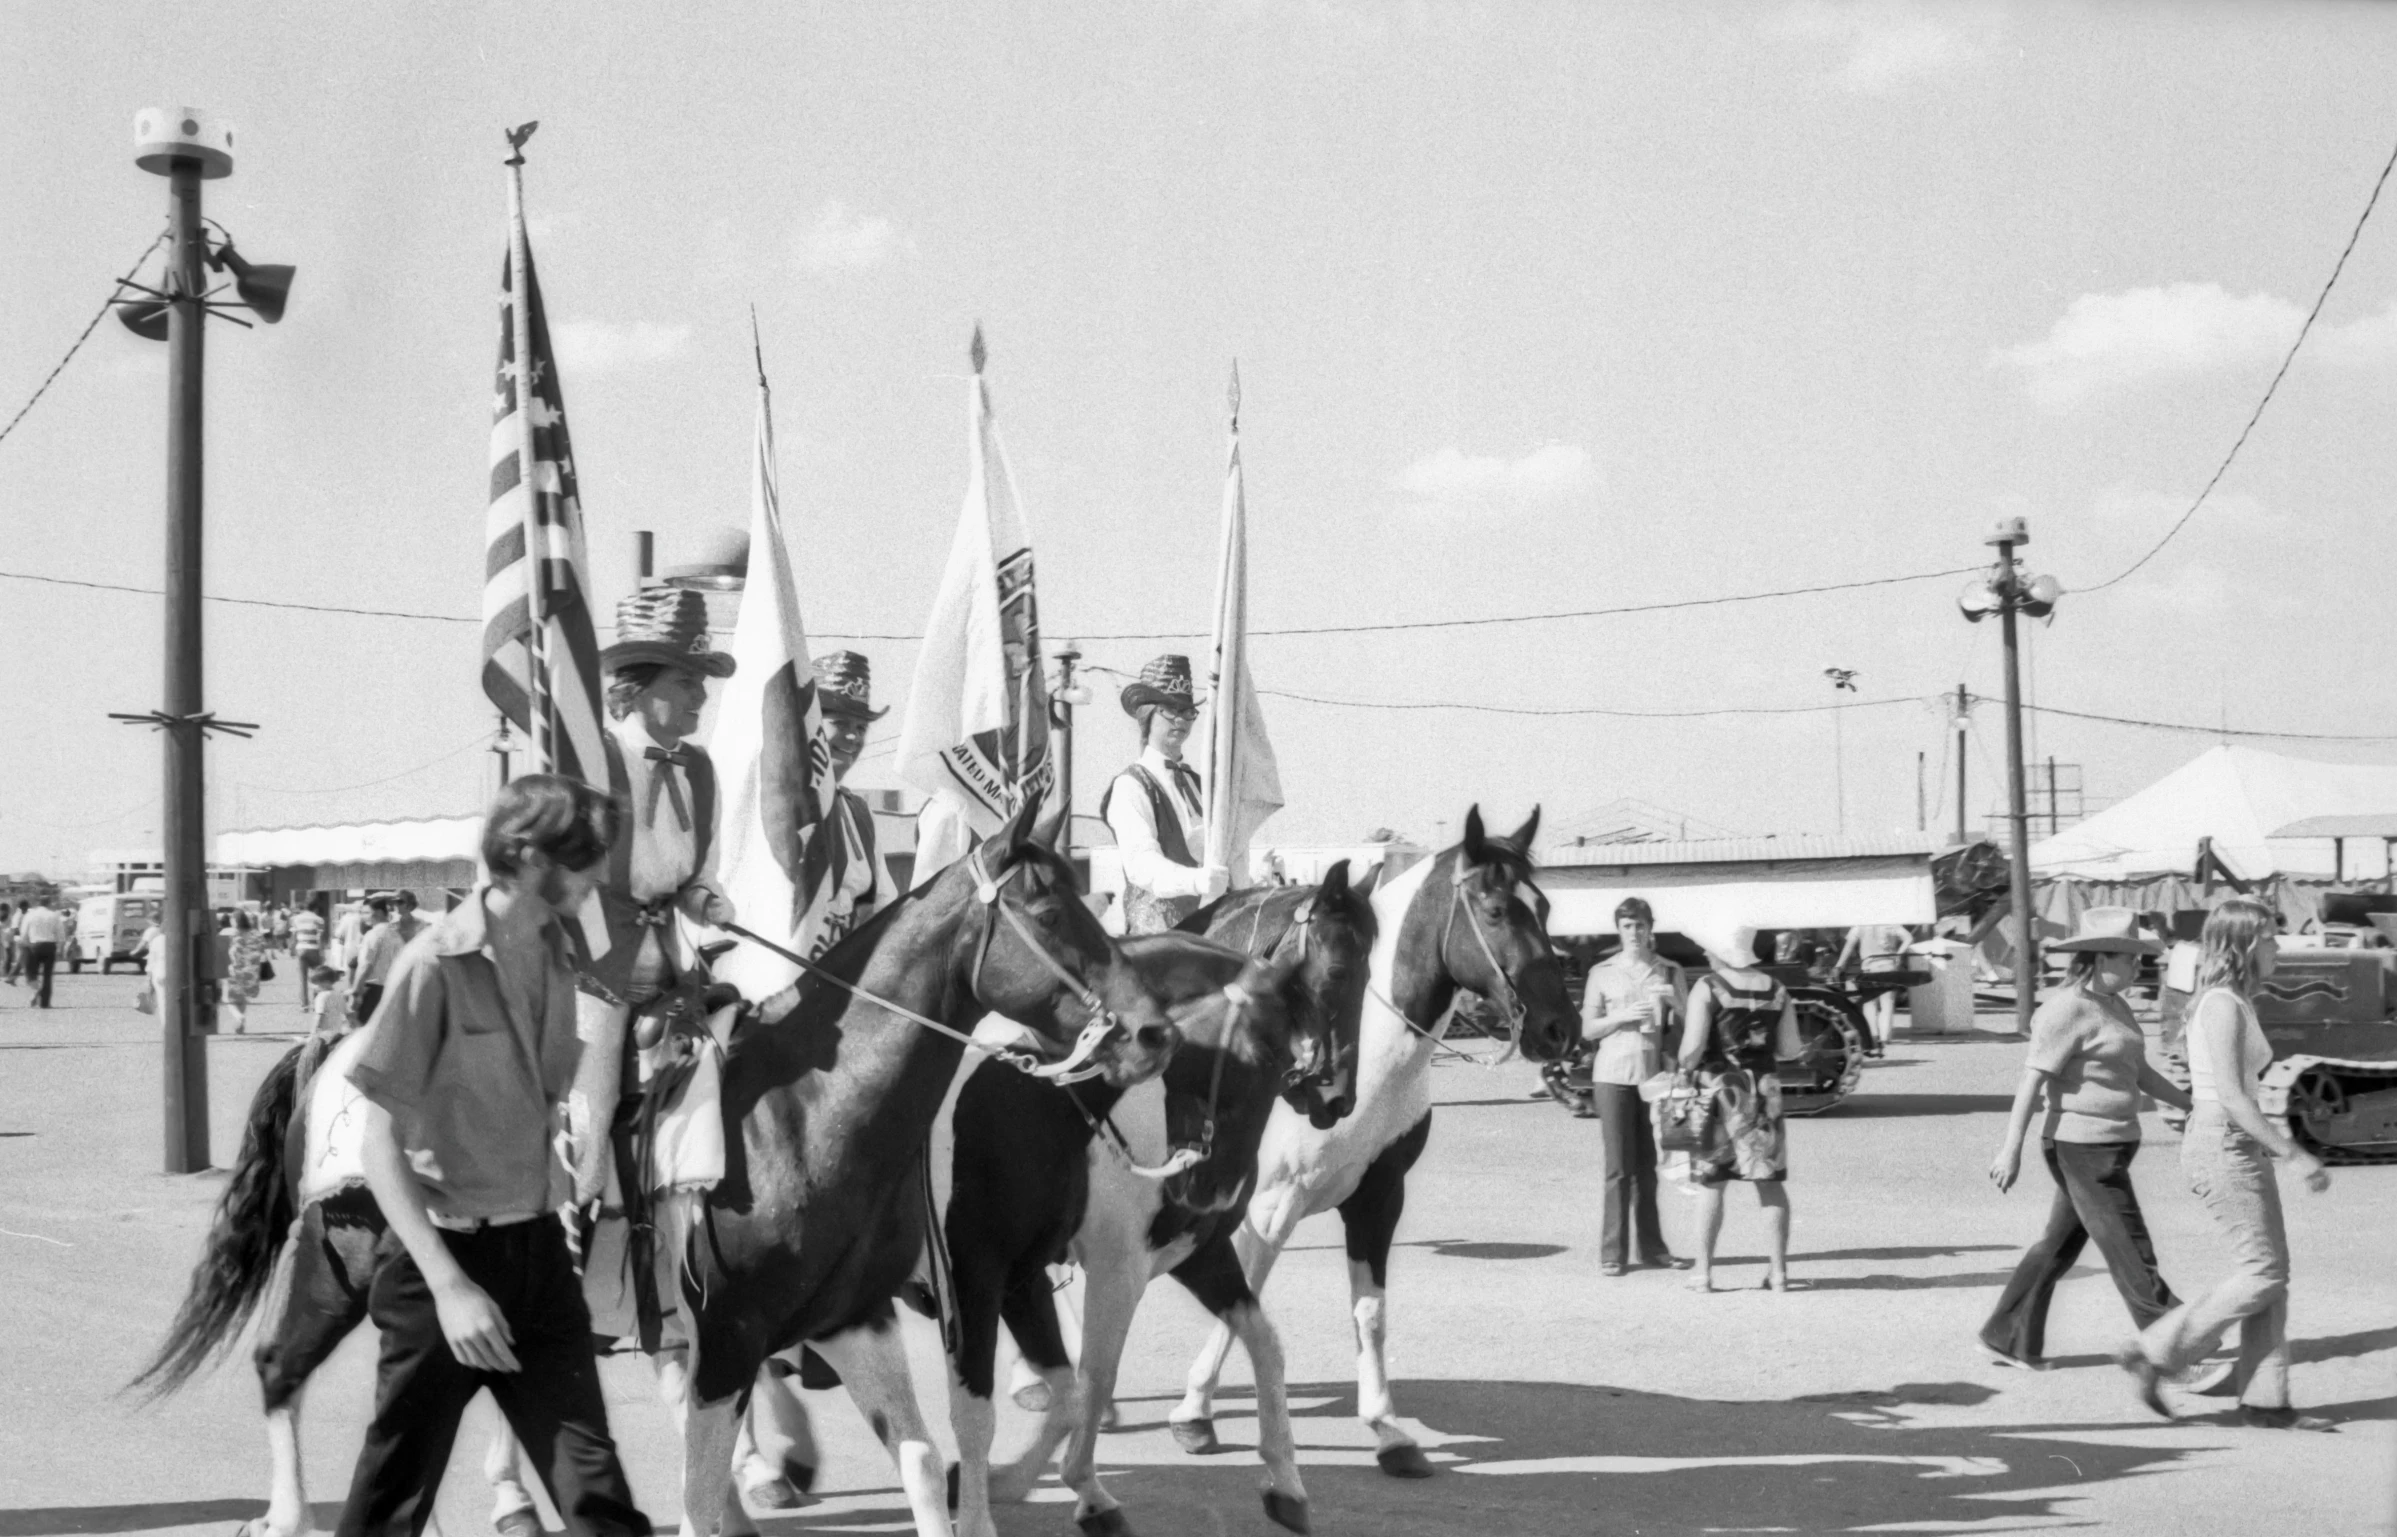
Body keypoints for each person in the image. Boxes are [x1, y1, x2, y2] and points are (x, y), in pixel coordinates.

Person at [335, 773, 648, 1535]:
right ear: (529, 856)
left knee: (596, 1496)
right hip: (441, 1263)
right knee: (391, 1503)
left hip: (539, 1259)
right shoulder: (434, 963)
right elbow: (377, 1141)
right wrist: (448, 1288)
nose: (596, 874)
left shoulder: (555, 954)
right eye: (582, 858)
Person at [2121, 897, 2335, 1431]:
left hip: (2235, 1141)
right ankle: (2159, 1352)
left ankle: (2266, 1404)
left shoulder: (2234, 1000)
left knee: (2271, 1275)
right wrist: (2294, 1153)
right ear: (2243, 943)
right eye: (2269, 936)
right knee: (2262, 1271)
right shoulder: (2220, 1003)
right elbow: (2235, 1098)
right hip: (2223, 1140)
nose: (2277, 945)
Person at [1981, 908, 2190, 1370]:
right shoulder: (2065, 1009)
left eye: (2142, 960)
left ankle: (2005, 1336)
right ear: (2099, 959)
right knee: (2133, 1252)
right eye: (2131, 959)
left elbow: (2140, 1073)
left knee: (2056, 1247)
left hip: (2113, 1143)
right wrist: (2010, 1148)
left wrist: (2191, 1105)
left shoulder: (2116, 1005)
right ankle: (2177, 1346)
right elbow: (2031, 1082)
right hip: (2081, 1148)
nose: (2140, 968)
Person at [1675, 921, 1802, 1294]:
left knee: (1712, 1183)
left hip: (1720, 1094)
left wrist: (1683, 1064)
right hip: (1764, 1095)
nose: (1704, 953)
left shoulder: (1708, 987)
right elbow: (1791, 1049)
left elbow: (1693, 1048)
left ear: (1719, 951)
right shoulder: (1777, 989)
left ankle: (1703, 1273)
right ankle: (1778, 1273)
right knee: (1770, 1184)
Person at [1579, 897, 1688, 1275]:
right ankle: (1612, 1252)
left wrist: (1676, 1000)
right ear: (1619, 929)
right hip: (1612, 1076)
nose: (1635, 933)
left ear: (1650, 928)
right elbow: (1588, 1028)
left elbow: (1691, 1022)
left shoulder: (1670, 971)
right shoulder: (1602, 972)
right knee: (1618, 1168)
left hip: (1654, 1077)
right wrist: (1622, 1015)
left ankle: (1653, 1249)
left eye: (1640, 925)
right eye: (1628, 926)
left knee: (1648, 1168)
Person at [1099, 654, 1228, 934]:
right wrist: (1196, 881)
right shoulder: (1130, 785)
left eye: (1187, 711)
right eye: (1170, 709)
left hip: (1212, 931)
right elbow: (1142, 865)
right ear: (1146, 715)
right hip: (1157, 943)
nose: (1181, 719)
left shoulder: (1202, 785)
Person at [1835, 922, 1908, 1056]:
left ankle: (1873, 1035)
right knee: (1887, 1003)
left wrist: (1839, 965)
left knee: (1869, 1004)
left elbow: (1849, 946)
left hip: (1869, 967)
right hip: (1888, 966)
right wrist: (1899, 954)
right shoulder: (1891, 923)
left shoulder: (1860, 924)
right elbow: (1908, 938)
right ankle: (1884, 1037)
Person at [348, 898, 399, 1023]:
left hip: (372, 990)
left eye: (366, 913)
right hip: (392, 988)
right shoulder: (396, 935)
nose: (363, 917)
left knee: (364, 1031)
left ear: (380, 913)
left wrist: (355, 991)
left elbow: (365, 965)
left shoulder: (373, 935)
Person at [17, 898, 64, 1010]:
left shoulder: (30, 915)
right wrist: (59, 950)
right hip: (49, 946)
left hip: (35, 946)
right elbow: (61, 935)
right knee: (47, 976)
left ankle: (35, 990)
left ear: (38, 903)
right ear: (49, 903)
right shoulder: (54, 915)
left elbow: (23, 935)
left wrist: (27, 946)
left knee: (32, 974)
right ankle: (45, 1003)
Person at [224, 909, 265, 1033]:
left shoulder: (232, 934)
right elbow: (262, 949)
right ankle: (241, 1024)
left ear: (235, 921)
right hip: (252, 971)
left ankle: (239, 1017)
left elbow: (225, 952)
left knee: (228, 999)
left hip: (234, 970)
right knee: (242, 998)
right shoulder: (256, 934)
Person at [292, 902, 328, 1005]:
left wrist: (292, 948)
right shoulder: (318, 919)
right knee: (317, 976)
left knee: (302, 978)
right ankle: (317, 1001)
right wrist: (322, 953)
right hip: (314, 949)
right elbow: (319, 937)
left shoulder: (296, 919)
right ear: (315, 908)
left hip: (301, 949)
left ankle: (304, 1004)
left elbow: (294, 934)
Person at [308, 964, 351, 1041]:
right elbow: (347, 1013)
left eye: (316, 984)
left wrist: (313, 1033)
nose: (314, 987)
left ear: (325, 982)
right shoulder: (339, 995)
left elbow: (320, 1016)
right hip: (338, 1033)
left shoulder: (321, 997)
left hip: (324, 1034)